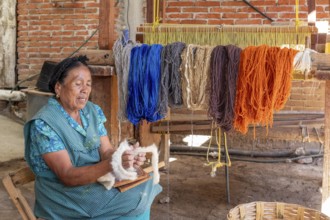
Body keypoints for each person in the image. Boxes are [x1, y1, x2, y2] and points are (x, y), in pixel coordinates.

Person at [24, 55, 162, 219]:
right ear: (58, 88)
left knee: (146, 182)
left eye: (88, 84)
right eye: (78, 84)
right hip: (64, 196)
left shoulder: (92, 111)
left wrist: (124, 157)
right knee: (134, 198)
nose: (85, 89)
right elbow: (67, 175)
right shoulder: (44, 124)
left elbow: (106, 151)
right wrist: (113, 164)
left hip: (92, 183)